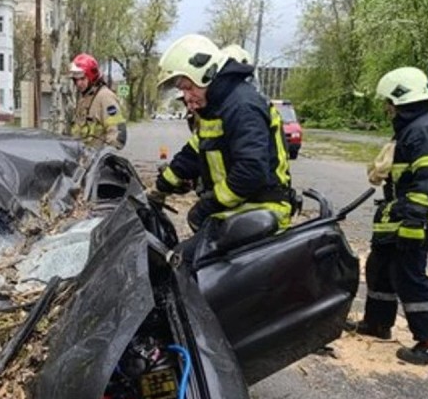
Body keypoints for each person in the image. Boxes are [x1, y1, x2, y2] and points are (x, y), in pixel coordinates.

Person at [154, 34, 293, 259]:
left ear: (206, 74)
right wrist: (161, 187)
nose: (187, 97)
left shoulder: (241, 106)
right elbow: (193, 152)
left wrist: (212, 202)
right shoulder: (218, 106)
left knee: (182, 262)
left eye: (189, 88)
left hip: (261, 209)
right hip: (241, 207)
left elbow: (250, 171)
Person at [346, 66, 428, 365]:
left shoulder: (424, 129)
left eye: (388, 101)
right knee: (380, 269)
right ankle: (378, 323)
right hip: (398, 216)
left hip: (412, 219)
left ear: (400, 99)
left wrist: (414, 213)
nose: (385, 107)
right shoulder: (412, 128)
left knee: (409, 277)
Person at [69, 53, 127, 149]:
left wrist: (106, 157)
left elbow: (116, 133)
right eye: (75, 79)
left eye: (82, 78)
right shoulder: (83, 100)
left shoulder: (105, 97)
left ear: (91, 77)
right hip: (81, 158)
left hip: (96, 160)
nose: (78, 83)